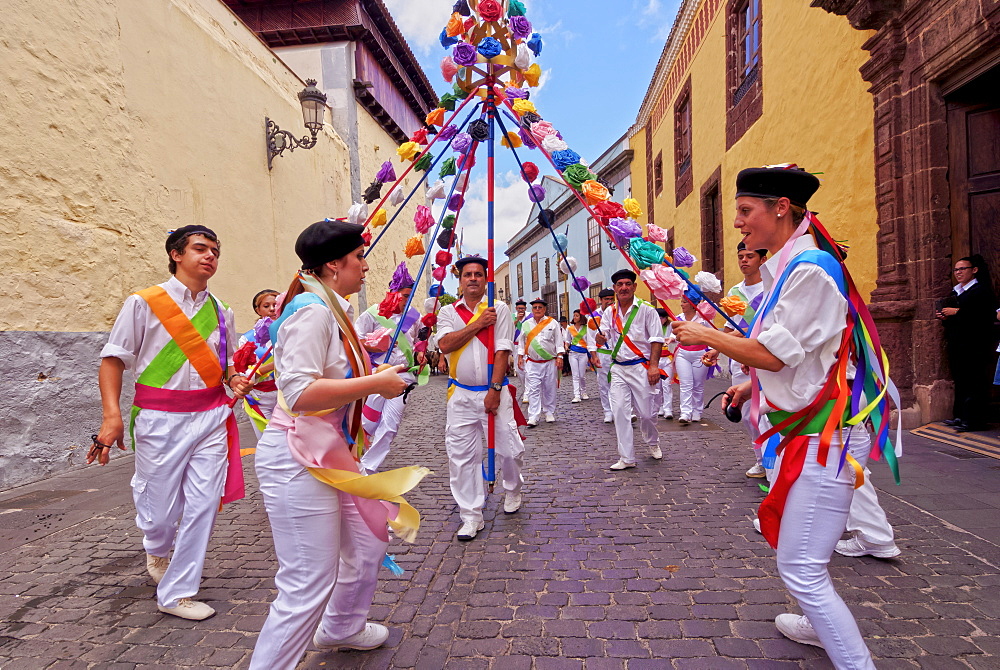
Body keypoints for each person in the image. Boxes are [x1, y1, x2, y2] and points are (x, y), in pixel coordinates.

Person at [672, 165, 896, 668]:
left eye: (746, 211)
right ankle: (818, 625)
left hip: (823, 442)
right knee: (803, 558)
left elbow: (775, 355)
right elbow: (804, 356)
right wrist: (747, 381)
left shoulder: (811, 270)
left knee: (802, 568)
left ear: (780, 208)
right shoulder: (791, 266)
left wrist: (705, 335)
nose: (738, 224)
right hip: (806, 436)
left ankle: (855, 660)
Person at [250, 219, 426, 668]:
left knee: (368, 539)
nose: (366, 266)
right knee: (308, 579)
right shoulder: (312, 309)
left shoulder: (330, 306)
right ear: (333, 264)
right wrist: (374, 383)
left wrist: (363, 350)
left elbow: (325, 367)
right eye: (359, 257)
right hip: (298, 453)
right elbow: (300, 394)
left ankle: (342, 627)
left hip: (328, 448)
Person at [93, 224, 251, 621]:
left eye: (215, 250)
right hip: (160, 420)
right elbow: (113, 359)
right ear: (176, 254)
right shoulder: (144, 302)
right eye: (200, 248)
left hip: (211, 417)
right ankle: (157, 546)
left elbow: (226, 367)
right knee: (159, 513)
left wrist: (235, 380)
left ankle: (177, 592)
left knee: (202, 506)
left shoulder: (223, 312)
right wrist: (111, 415)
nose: (210, 256)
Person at [437, 256, 526, 540]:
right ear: (460, 280)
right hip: (460, 394)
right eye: (467, 275)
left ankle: (512, 489)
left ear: (486, 279)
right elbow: (446, 343)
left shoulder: (499, 309)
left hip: (493, 391)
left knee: (510, 450)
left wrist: (495, 390)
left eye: (478, 274)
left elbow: (502, 351)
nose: (473, 278)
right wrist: (478, 324)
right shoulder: (448, 313)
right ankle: (471, 515)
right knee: (462, 457)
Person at [705, 243, 768, 474]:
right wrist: (716, 348)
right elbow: (729, 329)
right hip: (739, 359)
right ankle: (761, 459)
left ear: (762, 259)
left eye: (750, 256)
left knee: (765, 412)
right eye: (740, 256)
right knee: (744, 414)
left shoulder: (771, 288)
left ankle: (773, 462)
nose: (744, 261)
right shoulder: (734, 292)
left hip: (765, 356)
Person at [596, 269, 664, 470]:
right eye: (619, 285)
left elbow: (656, 340)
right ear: (615, 288)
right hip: (618, 368)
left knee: (646, 413)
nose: (623, 288)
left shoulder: (647, 310)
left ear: (634, 287)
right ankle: (627, 457)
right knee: (620, 412)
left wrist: (653, 367)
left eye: (627, 284)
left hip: (641, 367)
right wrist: (600, 338)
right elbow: (604, 334)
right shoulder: (610, 312)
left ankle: (652, 442)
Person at [356, 262, 420, 473]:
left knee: (390, 425)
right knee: (369, 422)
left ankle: (368, 468)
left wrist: (420, 354)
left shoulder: (413, 316)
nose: (407, 300)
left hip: (403, 377)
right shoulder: (373, 314)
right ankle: (358, 448)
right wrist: (374, 344)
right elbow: (355, 340)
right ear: (392, 293)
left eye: (410, 295)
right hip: (377, 373)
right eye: (403, 295)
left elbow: (416, 343)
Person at [937, 255, 998, 432]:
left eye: (962, 269)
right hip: (959, 343)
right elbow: (954, 319)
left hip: (976, 344)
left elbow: (984, 316)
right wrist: (945, 316)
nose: (958, 273)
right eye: (956, 270)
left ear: (974, 270)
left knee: (975, 381)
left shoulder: (981, 290)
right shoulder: (956, 292)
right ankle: (960, 416)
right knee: (961, 380)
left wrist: (958, 312)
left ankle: (975, 420)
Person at [236, 289, 280, 438]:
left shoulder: (289, 332)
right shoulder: (248, 339)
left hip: (284, 394)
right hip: (260, 398)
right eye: (266, 306)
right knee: (266, 441)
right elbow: (243, 372)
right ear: (258, 310)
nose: (272, 309)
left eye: (276, 304)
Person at [517, 298, 564, 426]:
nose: (537, 310)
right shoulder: (526, 324)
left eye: (540, 307)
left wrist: (560, 356)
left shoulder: (552, 323)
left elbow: (559, 341)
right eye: (535, 307)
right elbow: (522, 342)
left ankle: (549, 412)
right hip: (532, 362)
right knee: (533, 389)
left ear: (545, 309)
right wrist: (520, 356)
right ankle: (533, 416)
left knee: (549, 388)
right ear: (532, 310)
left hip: (549, 361)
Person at [673, 290, 711, 426]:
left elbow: (712, 335)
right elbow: (674, 334)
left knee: (698, 385)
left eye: (684, 302)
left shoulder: (703, 320)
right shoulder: (678, 318)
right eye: (682, 301)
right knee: (685, 384)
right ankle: (685, 412)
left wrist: (712, 352)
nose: (681, 304)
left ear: (691, 303)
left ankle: (697, 411)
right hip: (682, 354)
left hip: (700, 354)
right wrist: (669, 339)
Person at [591, 288, 620, 423]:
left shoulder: (619, 312)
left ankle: (623, 411)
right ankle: (607, 411)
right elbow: (590, 339)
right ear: (600, 300)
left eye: (611, 299)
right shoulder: (594, 317)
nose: (609, 301)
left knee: (621, 383)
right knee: (603, 384)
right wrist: (593, 355)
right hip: (602, 353)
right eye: (606, 299)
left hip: (618, 352)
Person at [566, 310, 596, 403]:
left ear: (581, 317)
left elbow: (589, 340)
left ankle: (583, 391)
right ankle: (576, 395)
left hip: (583, 353)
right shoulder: (570, 328)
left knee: (582, 375)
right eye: (574, 315)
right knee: (575, 375)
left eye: (577, 316)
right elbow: (567, 340)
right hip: (573, 353)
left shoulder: (586, 328)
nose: (574, 317)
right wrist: (566, 346)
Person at [655, 308, 676, 420]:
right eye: (658, 317)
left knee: (666, 384)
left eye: (663, 317)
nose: (660, 320)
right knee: (657, 385)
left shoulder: (670, 327)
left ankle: (668, 408)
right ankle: (659, 407)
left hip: (667, 359)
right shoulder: (652, 326)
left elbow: (676, 336)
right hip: (655, 359)